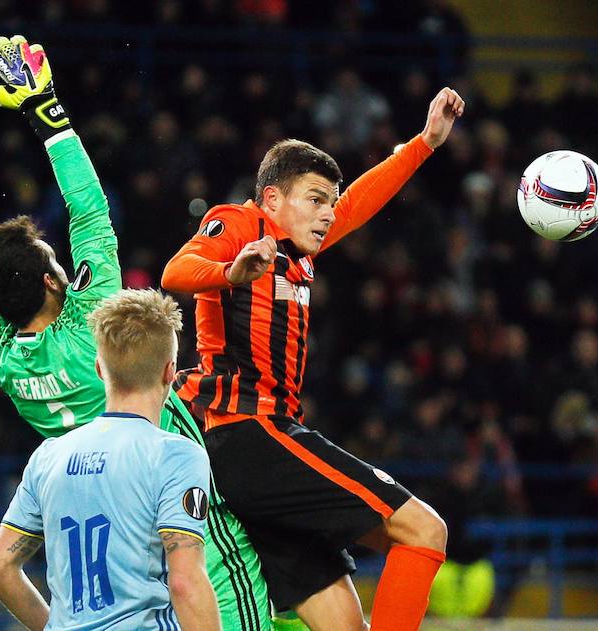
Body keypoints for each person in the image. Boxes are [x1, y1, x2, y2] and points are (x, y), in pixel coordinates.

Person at [0, 35, 286, 631]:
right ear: (52, 281)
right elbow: (90, 211)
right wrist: (46, 110)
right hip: (166, 479)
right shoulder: (94, 327)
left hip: (85, 498)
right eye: (55, 261)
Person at [163, 86, 465, 630]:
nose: (329, 212)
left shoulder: (300, 249)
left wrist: (424, 143)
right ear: (273, 198)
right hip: (245, 433)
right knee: (424, 530)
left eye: (331, 199)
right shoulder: (239, 223)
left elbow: (361, 203)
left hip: (263, 444)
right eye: (316, 198)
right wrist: (231, 272)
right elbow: (176, 272)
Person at [0, 288, 221, 630]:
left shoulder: (49, 456)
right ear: (170, 371)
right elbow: (185, 582)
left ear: (98, 368)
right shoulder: (176, 456)